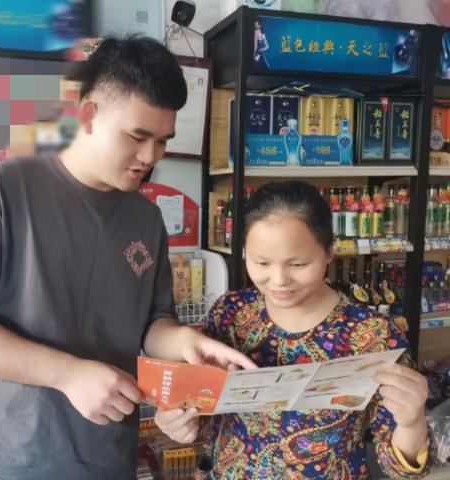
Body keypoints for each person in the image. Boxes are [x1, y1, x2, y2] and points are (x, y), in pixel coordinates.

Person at [0, 35, 256, 480]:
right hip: (9, 462)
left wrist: (184, 344)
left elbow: (153, 323)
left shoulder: (145, 217)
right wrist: (68, 375)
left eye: (162, 141)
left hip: (107, 458)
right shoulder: (3, 190)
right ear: (89, 115)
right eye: (138, 136)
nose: (150, 156)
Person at [155, 180, 437, 479]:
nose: (279, 280)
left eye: (298, 264)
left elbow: (401, 469)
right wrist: (180, 420)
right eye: (261, 262)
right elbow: (205, 411)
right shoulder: (231, 313)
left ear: (329, 251)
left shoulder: (372, 335)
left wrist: (412, 422)